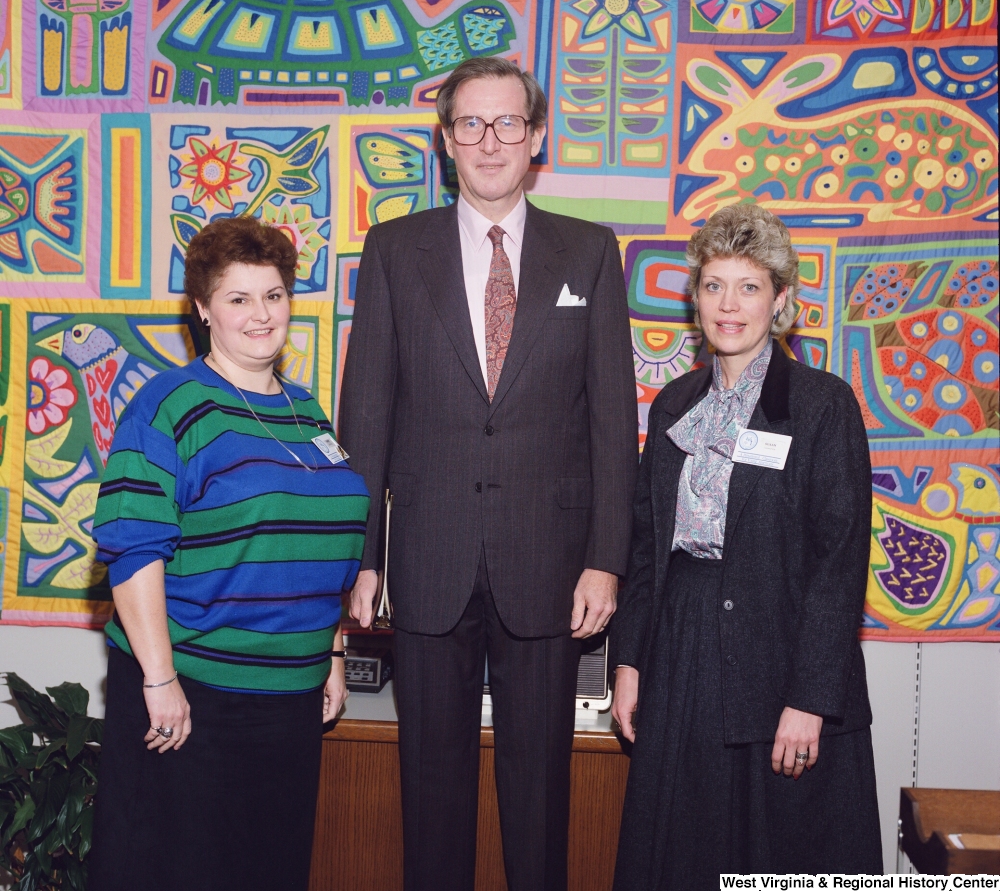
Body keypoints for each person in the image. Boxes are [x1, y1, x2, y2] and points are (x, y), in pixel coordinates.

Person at [340, 56, 637, 891]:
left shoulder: (590, 251)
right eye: (470, 124)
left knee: (540, 806)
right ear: (445, 143)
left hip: (550, 570)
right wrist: (361, 557)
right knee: (430, 806)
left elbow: (615, 421)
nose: (490, 140)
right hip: (427, 568)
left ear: (537, 137)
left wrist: (607, 558)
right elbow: (367, 413)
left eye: (509, 123)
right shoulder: (396, 250)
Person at [87, 217, 369, 891]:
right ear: (203, 309)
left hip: (290, 705)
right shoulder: (168, 406)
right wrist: (160, 680)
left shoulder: (309, 415)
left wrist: (329, 655)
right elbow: (131, 550)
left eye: (272, 295)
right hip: (191, 699)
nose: (260, 314)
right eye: (238, 297)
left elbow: (322, 553)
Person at [610, 204, 882, 887]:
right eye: (713, 284)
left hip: (780, 658)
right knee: (681, 856)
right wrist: (630, 664)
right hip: (682, 656)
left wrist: (810, 697)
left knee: (778, 857)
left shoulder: (822, 405)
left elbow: (839, 561)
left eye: (749, 286)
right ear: (695, 296)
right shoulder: (673, 404)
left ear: (781, 300)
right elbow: (645, 548)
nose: (728, 305)